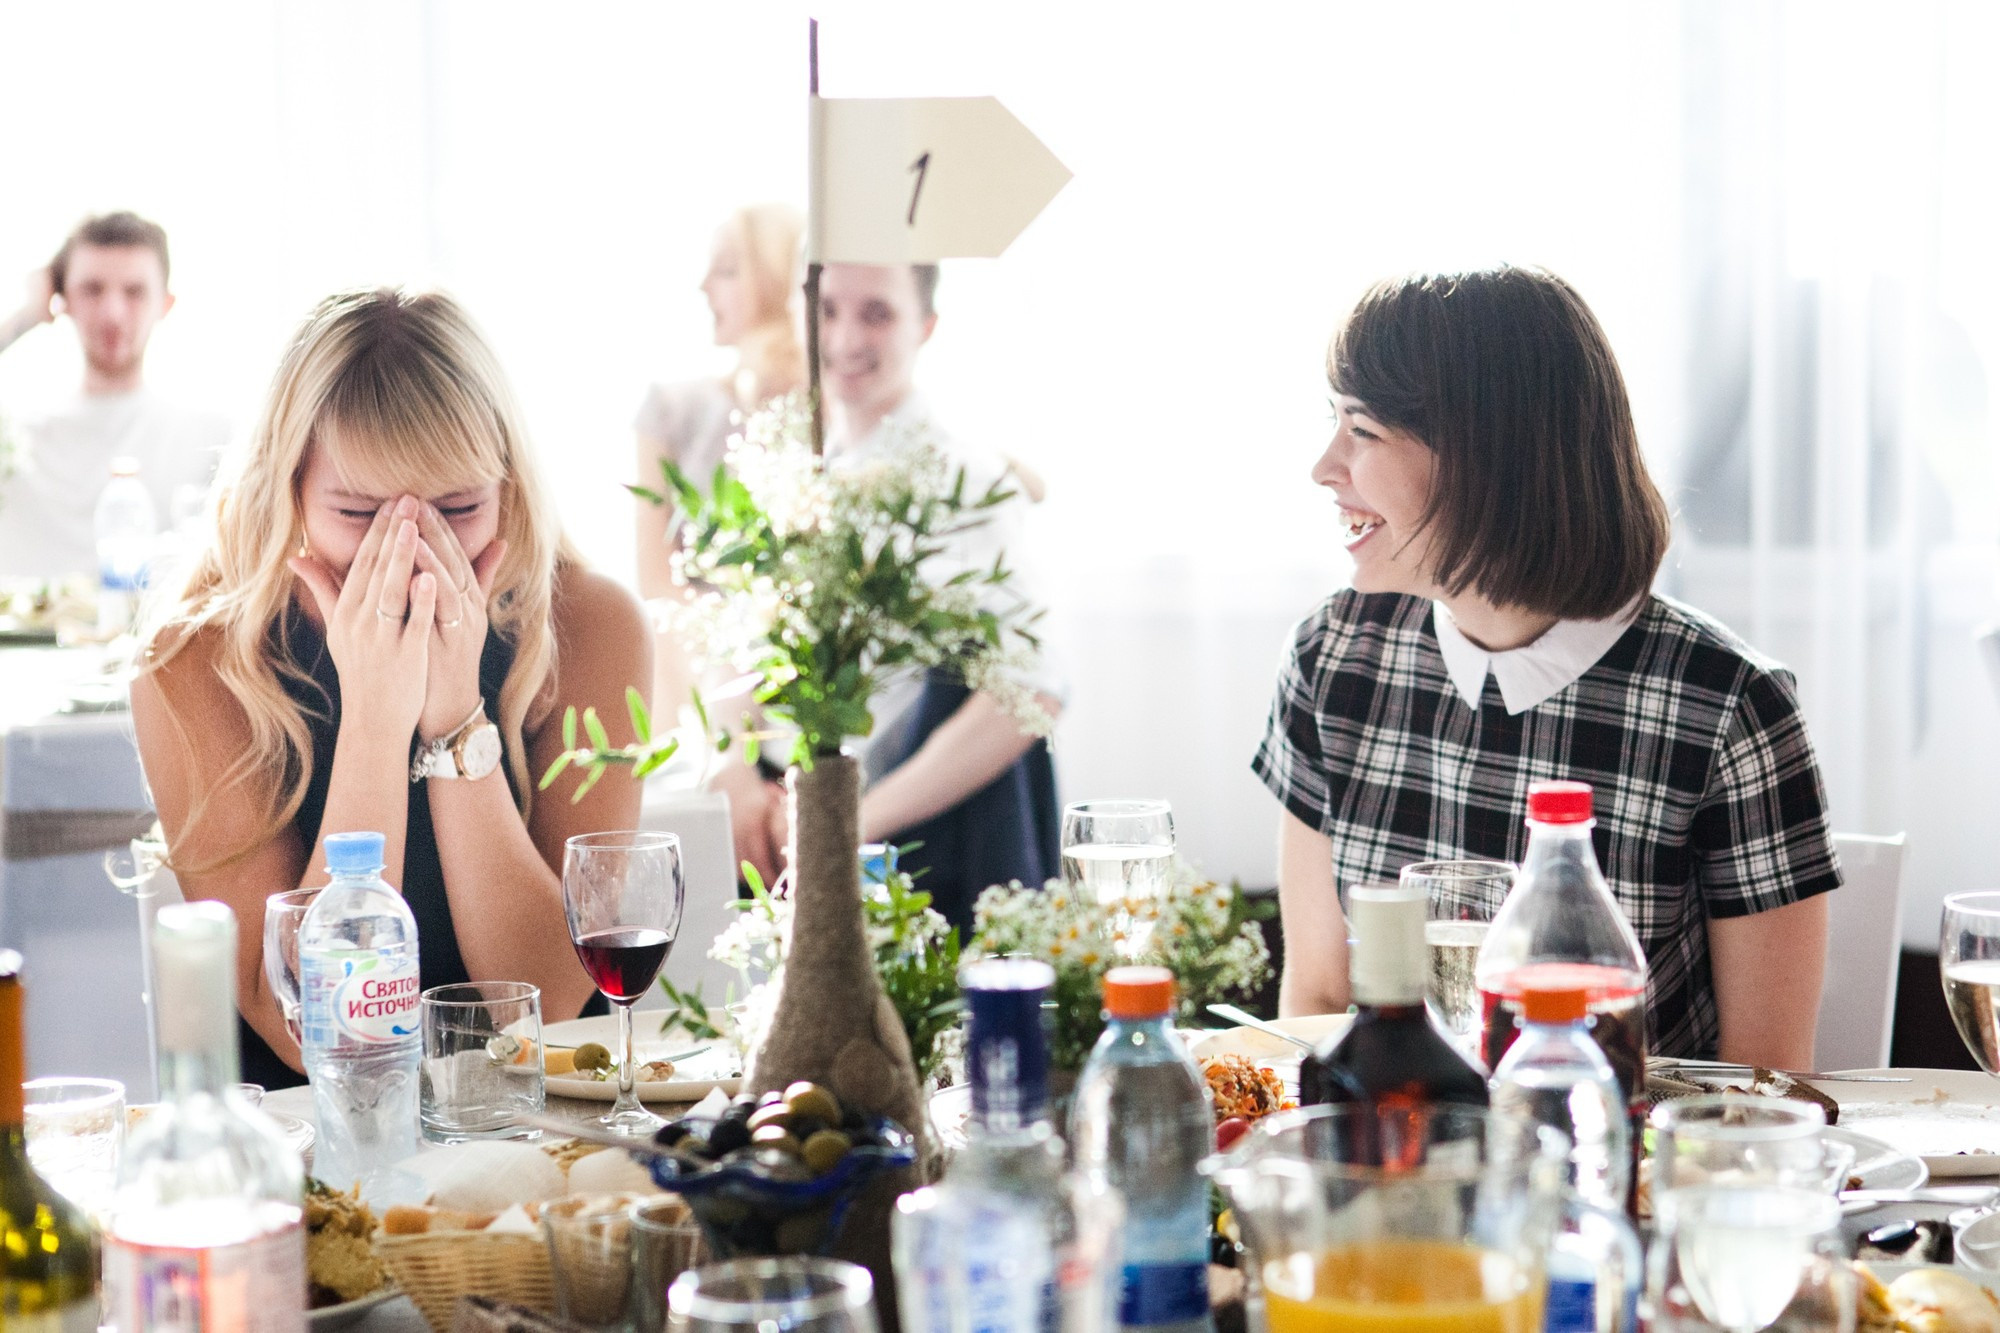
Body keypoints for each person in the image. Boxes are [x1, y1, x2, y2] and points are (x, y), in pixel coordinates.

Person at [1254, 265, 1840, 1068]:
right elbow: (1318, 1003)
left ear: (1484, 455)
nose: (1326, 466)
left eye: (1361, 430)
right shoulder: (1333, 658)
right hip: (1400, 1165)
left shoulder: (1729, 707)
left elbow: (1763, 1087)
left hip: (1620, 1173)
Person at [130, 287, 651, 1089]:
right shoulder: (192, 658)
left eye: (458, 507)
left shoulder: (593, 623)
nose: (410, 551)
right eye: (358, 512)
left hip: (539, 1114)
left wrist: (454, 718)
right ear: (289, 491)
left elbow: (542, 1001)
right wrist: (376, 717)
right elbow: (306, 1025)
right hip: (310, 1131)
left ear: (507, 487)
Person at [711, 262, 1062, 930]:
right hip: (787, 833)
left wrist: (848, 822)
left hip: (914, 857)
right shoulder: (790, 469)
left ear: (926, 326)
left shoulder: (966, 480)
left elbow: (1034, 689)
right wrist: (730, 768)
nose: (845, 337)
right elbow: (737, 644)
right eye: (827, 308)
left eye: (877, 312)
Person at [635, 204, 806, 721]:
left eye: (729, 269)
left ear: (778, 282)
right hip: (698, 694)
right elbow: (654, 580)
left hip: (810, 698)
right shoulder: (668, 409)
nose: (703, 285)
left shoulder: (832, 412)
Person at [0, 212, 229, 578]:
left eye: (134, 292)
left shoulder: (211, 441)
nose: (113, 313)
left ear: (165, 304)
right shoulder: (19, 440)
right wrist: (25, 317)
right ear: (62, 300)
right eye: (92, 290)